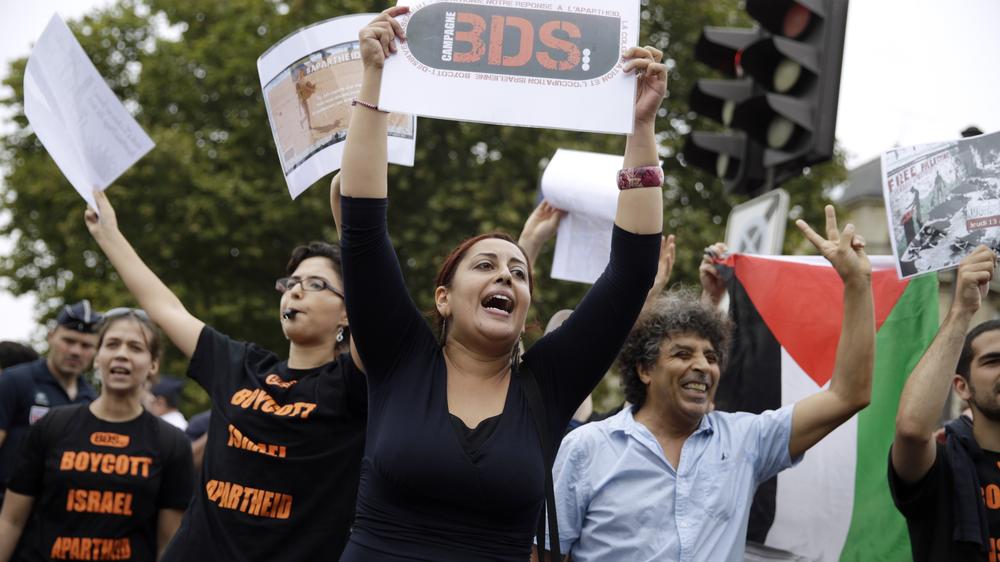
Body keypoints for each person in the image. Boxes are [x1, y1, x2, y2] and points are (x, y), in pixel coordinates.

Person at [336, 7, 665, 560]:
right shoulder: (399, 358)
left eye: (518, 271)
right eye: (485, 265)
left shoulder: (548, 386)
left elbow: (632, 272)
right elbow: (363, 229)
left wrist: (642, 127)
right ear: (443, 299)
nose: (506, 276)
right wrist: (374, 80)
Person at [549, 207, 876, 561]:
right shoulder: (585, 448)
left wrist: (858, 284)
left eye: (711, 356)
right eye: (683, 354)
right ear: (644, 369)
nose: (702, 366)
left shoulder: (745, 442)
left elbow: (848, 394)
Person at [83, 193, 366, 560]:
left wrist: (355, 225)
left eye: (316, 285)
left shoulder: (355, 383)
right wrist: (108, 234)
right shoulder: (241, 365)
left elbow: (377, 306)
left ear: (348, 314)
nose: (294, 290)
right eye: (291, 282)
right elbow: (166, 308)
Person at [0, 309, 193, 561]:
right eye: (112, 344)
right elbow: (11, 520)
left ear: (153, 364)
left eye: (135, 347)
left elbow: (168, 544)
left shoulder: (172, 443)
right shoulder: (52, 426)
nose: (122, 354)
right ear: (98, 357)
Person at [889, 245, 1000, 561]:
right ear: (962, 387)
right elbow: (911, 429)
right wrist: (963, 310)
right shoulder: (941, 464)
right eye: (994, 361)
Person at [0, 301, 102, 505]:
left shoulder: (92, 399)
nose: (75, 351)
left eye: (86, 345)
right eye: (69, 341)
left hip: (57, 518)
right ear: (51, 336)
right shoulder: (15, 381)